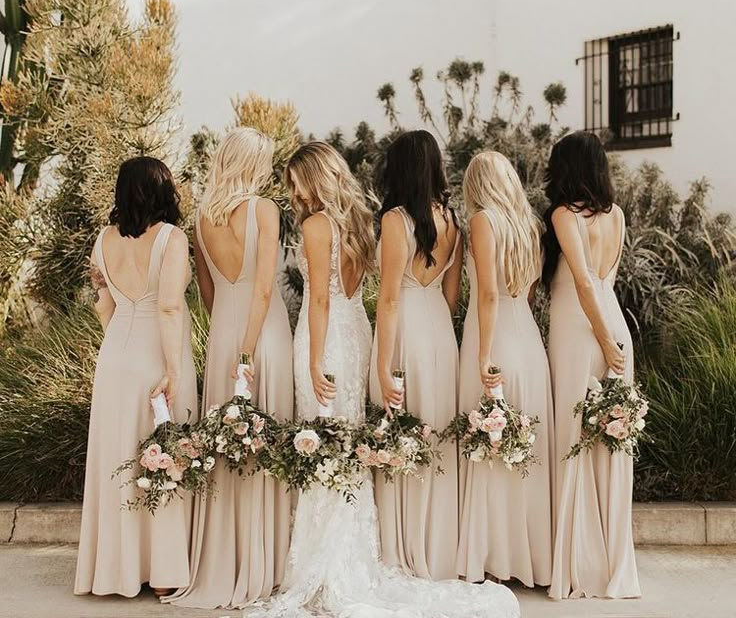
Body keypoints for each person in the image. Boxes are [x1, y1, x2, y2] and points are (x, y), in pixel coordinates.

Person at [251, 141, 519, 618]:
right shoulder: (371, 222)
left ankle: (326, 560)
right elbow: (452, 295)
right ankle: (378, 550)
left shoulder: (326, 225)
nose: (291, 191)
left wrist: (314, 360)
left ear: (314, 177)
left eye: (295, 180)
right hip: (365, 330)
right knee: (357, 439)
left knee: (325, 436)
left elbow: (319, 300)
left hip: (330, 336)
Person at [166, 129, 293, 609]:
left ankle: (224, 557)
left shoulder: (200, 220)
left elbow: (207, 293)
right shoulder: (265, 210)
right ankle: (270, 562)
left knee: (226, 444)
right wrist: (249, 349)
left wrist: (230, 343)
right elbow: (263, 290)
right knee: (269, 439)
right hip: (263, 334)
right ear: (255, 163)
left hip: (223, 333)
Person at [75, 157, 198, 598]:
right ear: (162, 191)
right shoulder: (172, 238)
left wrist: (121, 349)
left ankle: (115, 572)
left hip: (115, 358)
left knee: (118, 460)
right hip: (155, 355)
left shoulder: (103, 239)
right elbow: (168, 306)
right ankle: (163, 573)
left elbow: (103, 305)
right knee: (163, 457)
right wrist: (174, 369)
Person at [543, 131, 641, 599]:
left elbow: (582, 282)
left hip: (582, 328)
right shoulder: (617, 216)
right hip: (614, 320)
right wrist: (613, 337)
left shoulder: (565, 215)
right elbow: (605, 281)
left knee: (576, 437)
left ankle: (580, 563)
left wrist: (601, 337)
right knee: (612, 440)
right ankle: (612, 560)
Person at [456, 151, 554, 588]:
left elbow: (489, 294)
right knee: (521, 451)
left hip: (494, 338)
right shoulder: (530, 227)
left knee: (491, 450)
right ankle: (528, 558)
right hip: (528, 340)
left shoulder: (483, 221)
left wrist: (484, 353)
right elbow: (527, 294)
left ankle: (492, 557)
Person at [370, 129, 463, 580]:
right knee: (438, 435)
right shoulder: (453, 221)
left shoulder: (396, 220)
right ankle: (438, 546)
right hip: (440, 334)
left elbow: (388, 298)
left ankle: (402, 547)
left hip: (404, 327)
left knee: (401, 435)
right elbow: (452, 296)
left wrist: (385, 366)